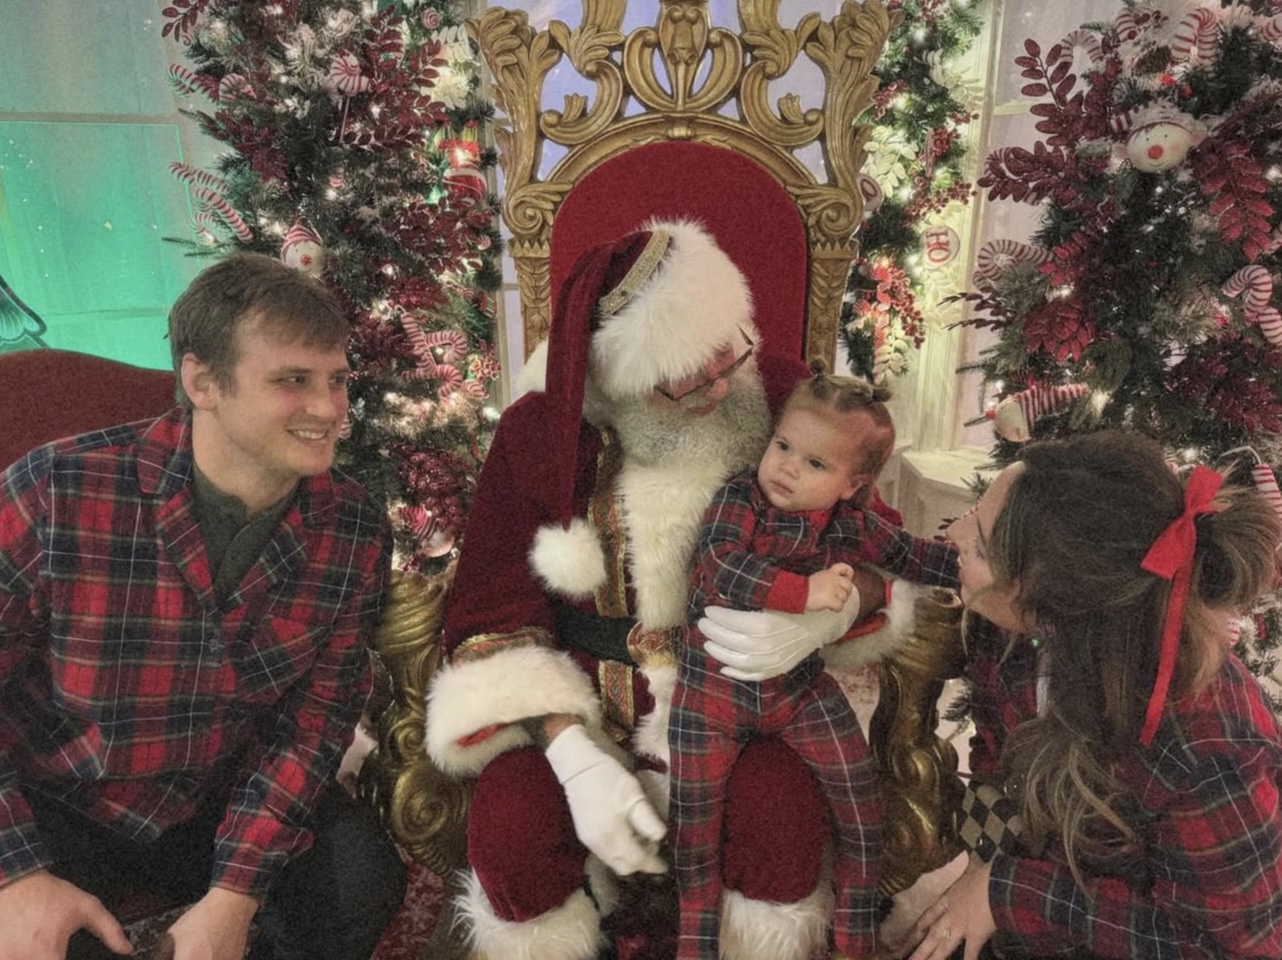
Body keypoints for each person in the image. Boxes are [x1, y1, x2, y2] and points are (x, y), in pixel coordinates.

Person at [426, 219, 899, 960]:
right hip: (584, 700)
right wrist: (570, 750)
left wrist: (832, 613)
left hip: (751, 702)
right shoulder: (540, 432)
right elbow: (491, 607)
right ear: (621, 374)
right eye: (685, 380)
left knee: (782, 819)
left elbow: (881, 551)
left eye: (726, 356)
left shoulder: (779, 395)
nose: (719, 387)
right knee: (512, 828)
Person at [0, 253, 405, 960]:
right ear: (202, 382)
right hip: (57, 799)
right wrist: (16, 875)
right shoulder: (57, 490)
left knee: (363, 877)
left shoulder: (354, 527)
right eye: (293, 381)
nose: (330, 409)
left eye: (337, 380)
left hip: (213, 797)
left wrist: (236, 895)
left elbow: (313, 727)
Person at [903, 431, 1282, 960]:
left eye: (982, 545)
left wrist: (1010, 891)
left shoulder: (1210, 749)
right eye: (975, 511)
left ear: (1053, 603)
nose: (955, 533)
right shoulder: (1025, 629)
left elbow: (1221, 949)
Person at [671, 369, 960, 960]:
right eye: (782, 446)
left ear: (853, 483)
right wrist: (803, 596)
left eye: (815, 464)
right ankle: (694, 942)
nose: (786, 467)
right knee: (694, 832)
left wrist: (972, 568)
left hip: (796, 691)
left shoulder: (850, 521)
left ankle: (853, 934)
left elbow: (909, 554)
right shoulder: (739, 497)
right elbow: (722, 566)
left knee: (860, 802)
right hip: (709, 698)